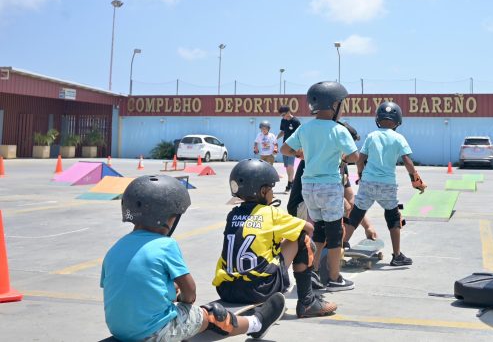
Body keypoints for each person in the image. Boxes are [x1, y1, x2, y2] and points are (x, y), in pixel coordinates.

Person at [101, 174, 285, 341]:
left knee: (178, 311)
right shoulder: (165, 245)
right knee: (212, 315)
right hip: (152, 333)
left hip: (119, 330)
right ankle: (256, 323)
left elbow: (127, 286)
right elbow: (190, 291)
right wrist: (185, 301)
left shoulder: (115, 248)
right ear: (165, 218)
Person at [213, 159, 336, 318]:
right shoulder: (271, 213)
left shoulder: (232, 215)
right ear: (263, 191)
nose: (272, 192)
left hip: (226, 289)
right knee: (301, 238)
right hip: (259, 289)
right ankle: (307, 302)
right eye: (271, 188)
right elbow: (309, 228)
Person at [281, 81, 358, 291]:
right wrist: (341, 155)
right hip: (329, 186)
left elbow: (285, 149)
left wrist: (304, 152)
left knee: (319, 231)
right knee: (335, 233)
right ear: (334, 105)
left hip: (309, 187)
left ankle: (313, 273)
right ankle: (334, 278)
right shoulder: (338, 130)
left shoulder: (305, 129)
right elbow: (354, 156)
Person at [344, 101, 427, 265]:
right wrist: (417, 182)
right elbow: (408, 162)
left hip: (368, 183)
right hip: (387, 185)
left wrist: (361, 175)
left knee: (355, 215)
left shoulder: (371, 136)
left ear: (377, 119)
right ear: (398, 121)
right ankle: (397, 256)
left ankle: (339, 247)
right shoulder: (399, 138)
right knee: (393, 217)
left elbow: (360, 160)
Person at [338, 121, 378, 246]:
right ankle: (332, 244)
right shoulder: (326, 161)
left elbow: (351, 200)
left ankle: (338, 242)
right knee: (341, 207)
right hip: (305, 208)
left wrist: (368, 226)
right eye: (350, 146)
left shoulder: (342, 164)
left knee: (348, 206)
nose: (352, 152)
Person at [277, 105, 301, 192]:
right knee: (287, 167)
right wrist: (276, 138)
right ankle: (291, 181)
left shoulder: (296, 121)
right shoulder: (283, 121)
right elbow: (283, 131)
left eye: (283, 115)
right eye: (281, 116)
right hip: (285, 147)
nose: (283, 117)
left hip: (293, 147)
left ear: (288, 112)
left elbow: (299, 135)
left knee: (290, 166)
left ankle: (289, 185)